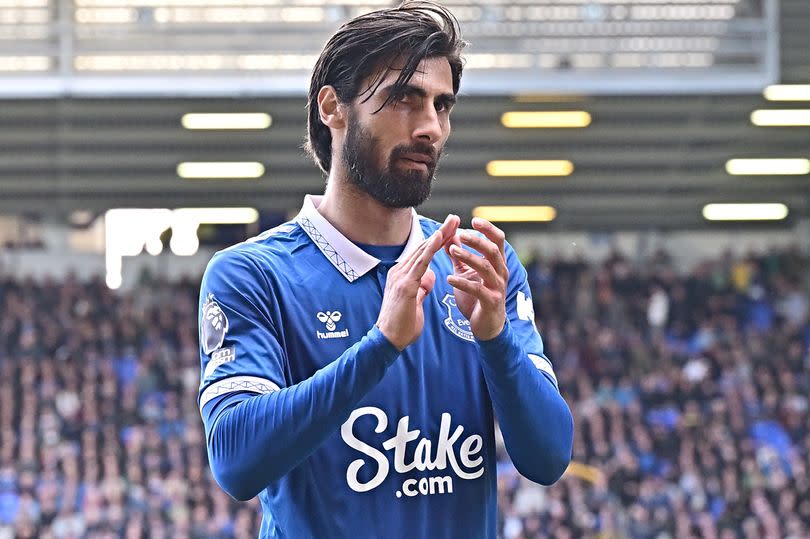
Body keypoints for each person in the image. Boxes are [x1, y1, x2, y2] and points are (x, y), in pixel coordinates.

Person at [197, 2, 574, 537]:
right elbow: (236, 461)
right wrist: (380, 346)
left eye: (442, 106)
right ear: (334, 108)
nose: (430, 128)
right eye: (403, 98)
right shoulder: (252, 275)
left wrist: (494, 338)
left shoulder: (479, 267)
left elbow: (548, 457)